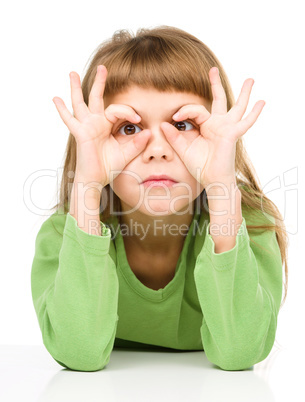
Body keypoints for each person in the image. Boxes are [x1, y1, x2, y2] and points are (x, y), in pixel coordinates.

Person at [31, 25, 289, 372]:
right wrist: (87, 186)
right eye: (129, 128)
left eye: (182, 125)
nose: (157, 150)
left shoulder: (253, 225)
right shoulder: (64, 236)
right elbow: (79, 354)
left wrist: (222, 187)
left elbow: (240, 352)